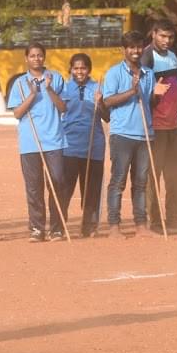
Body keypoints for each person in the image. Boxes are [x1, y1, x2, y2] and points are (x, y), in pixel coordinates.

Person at [102, 31, 165, 239]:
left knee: (141, 183)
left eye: (138, 46)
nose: (136, 51)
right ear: (124, 49)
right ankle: (114, 226)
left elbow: (149, 103)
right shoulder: (114, 73)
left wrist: (157, 96)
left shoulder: (148, 73)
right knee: (118, 181)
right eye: (131, 47)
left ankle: (141, 226)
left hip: (145, 134)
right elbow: (107, 101)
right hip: (122, 135)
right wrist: (131, 91)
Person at [7, 42, 68, 242]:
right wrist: (33, 94)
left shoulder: (56, 78)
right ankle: (37, 228)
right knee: (34, 186)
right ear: (26, 58)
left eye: (39, 55)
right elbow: (17, 113)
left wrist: (49, 89)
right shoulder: (19, 83)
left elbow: (63, 108)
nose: (36, 59)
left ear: (44, 57)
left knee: (57, 182)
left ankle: (57, 228)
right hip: (30, 141)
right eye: (32, 56)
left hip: (54, 140)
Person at [141, 19, 177, 234]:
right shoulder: (147, 56)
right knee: (153, 177)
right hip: (155, 127)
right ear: (154, 34)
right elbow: (141, 93)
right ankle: (155, 221)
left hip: (173, 125)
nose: (167, 40)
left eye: (170, 37)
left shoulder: (173, 56)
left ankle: (174, 217)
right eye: (163, 36)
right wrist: (153, 94)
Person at [61, 52, 106, 238]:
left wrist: (100, 102)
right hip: (69, 145)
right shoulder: (64, 88)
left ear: (89, 70)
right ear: (71, 69)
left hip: (93, 145)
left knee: (91, 189)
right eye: (76, 68)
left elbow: (107, 117)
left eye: (83, 68)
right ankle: (59, 225)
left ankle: (89, 226)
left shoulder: (97, 87)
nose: (80, 71)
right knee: (65, 188)